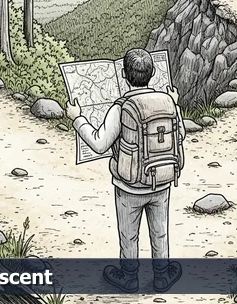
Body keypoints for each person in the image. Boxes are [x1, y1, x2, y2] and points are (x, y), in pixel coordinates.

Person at [66, 48, 185, 293]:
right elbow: (180, 135)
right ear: (153, 74)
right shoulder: (168, 101)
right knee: (160, 231)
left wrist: (77, 118)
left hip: (129, 185)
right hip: (162, 180)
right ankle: (162, 276)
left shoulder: (121, 107)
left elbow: (99, 144)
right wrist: (175, 103)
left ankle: (129, 277)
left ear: (123, 74)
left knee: (129, 235)